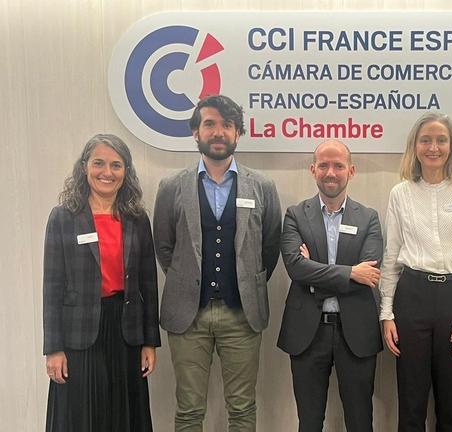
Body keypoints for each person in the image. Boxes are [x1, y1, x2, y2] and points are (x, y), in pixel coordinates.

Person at [153, 94, 282, 431]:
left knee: (242, 408)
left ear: (238, 133)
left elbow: (269, 248)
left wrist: (244, 283)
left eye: (227, 125)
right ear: (196, 132)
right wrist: (188, 280)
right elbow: (164, 247)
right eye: (209, 124)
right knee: (188, 409)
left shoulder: (262, 187)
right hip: (188, 315)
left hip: (242, 315)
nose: (218, 132)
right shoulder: (171, 187)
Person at [379, 112, 452, 432]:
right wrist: (386, 314)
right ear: (414, 146)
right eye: (425, 140)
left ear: (451, 146)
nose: (433, 147)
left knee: (451, 404)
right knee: (411, 403)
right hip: (412, 297)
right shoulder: (400, 193)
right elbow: (391, 258)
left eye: (441, 140)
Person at [43, 134, 160, 432]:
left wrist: (150, 341)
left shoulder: (137, 219)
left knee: (123, 415)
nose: (107, 172)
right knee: (82, 417)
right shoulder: (63, 218)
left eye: (116, 165)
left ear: (126, 171)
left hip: (126, 330)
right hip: (78, 334)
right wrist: (53, 348)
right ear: (84, 167)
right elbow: (52, 287)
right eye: (99, 163)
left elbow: (149, 285)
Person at [278, 139, 384, 432]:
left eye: (338, 165)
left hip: (356, 332)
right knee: (309, 422)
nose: (330, 172)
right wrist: (351, 273)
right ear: (313, 170)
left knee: (360, 421)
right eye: (323, 165)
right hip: (307, 333)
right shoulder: (295, 215)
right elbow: (295, 268)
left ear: (351, 171)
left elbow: (369, 275)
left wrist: (314, 276)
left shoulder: (369, 218)